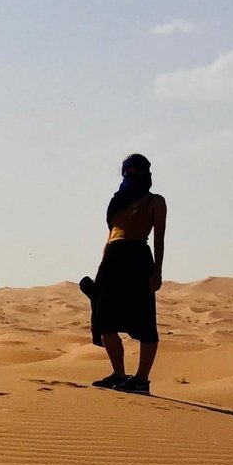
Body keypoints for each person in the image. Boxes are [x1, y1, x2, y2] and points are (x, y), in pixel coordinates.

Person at [81, 153, 164, 393]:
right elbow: (110, 237)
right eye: (127, 171)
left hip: (138, 259)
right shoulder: (116, 202)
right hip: (112, 262)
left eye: (137, 171)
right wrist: (101, 269)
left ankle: (141, 380)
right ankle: (119, 373)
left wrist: (157, 272)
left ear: (147, 173)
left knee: (144, 321)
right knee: (104, 319)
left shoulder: (156, 201)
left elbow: (159, 238)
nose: (131, 175)